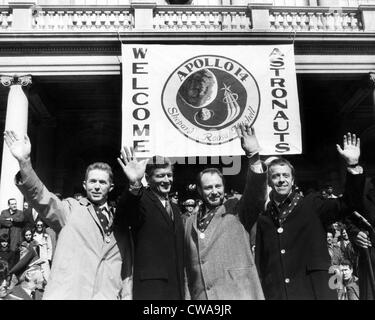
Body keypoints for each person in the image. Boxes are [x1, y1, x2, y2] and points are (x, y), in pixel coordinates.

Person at [3, 130, 133, 300]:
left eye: (102, 182)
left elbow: (127, 271)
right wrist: (24, 162)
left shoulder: (120, 220)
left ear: (111, 187)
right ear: (85, 185)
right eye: (92, 181)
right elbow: (42, 197)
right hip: (71, 293)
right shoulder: (70, 209)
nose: (97, 186)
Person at [250, 131, 364, 300]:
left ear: (293, 180)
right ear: (268, 181)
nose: (281, 180)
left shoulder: (312, 204)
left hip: (314, 291)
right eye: (275, 176)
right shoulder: (264, 218)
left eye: (285, 175)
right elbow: (261, 264)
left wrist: (353, 165)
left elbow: (347, 204)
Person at [184, 124, 265, 300]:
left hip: (238, 293)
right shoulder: (190, 221)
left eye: (218, 186)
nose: (214, 191)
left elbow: (256, 193)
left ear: (224, 187)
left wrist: (254, 157)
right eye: (208, 187)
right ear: (199, 190)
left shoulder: (236, 208)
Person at [116, 151, 184, 300]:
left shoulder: (175, 209)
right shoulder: (140, 199)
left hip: (176, 288)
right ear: (148, 178)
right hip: (151, 288)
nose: (167, 180)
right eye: (160, 176)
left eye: (169, 175)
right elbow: (123, 218)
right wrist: (134, 185)